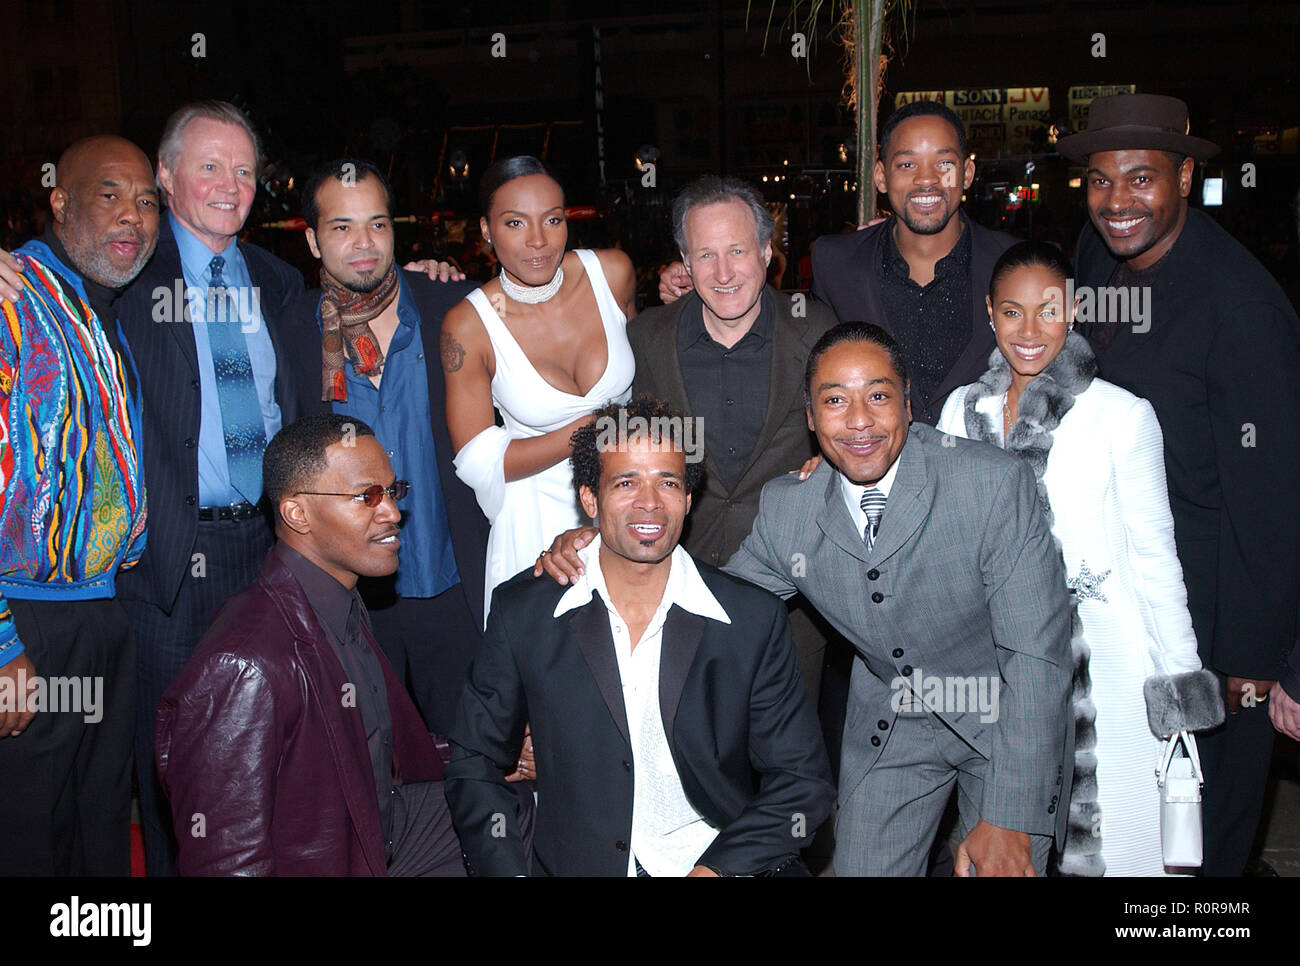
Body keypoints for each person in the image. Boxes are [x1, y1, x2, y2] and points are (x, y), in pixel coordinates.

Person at [542, 323, 1073, 876]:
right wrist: (610, 547)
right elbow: (711, 606)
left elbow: (1037, 657)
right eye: (836, 401)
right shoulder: (790, 509)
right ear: (811, 416)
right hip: (893, 725)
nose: (859, 420)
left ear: (909, 403)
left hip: (1006, 719)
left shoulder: (991, 485)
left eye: (879, 396)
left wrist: (1011, 817)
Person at [1058, 93, 1300, 876]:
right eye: (1100, 180)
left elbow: (1274, 501)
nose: (1116, 201)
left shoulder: (1244, 307)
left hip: (1219, 641)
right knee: (1133, 839)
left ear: (1186, 176)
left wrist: (1260, 667)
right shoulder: (1097, 258)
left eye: (1140, 178)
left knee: (1201, 853)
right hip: (1127, 610)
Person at [447, 396, 834, 876]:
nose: (649, 502)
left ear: (689, 499)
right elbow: (474, 765)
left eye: (667, 482)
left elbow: (803, 784)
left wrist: (715, 871)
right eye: (626, 481)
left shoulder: (751, 619)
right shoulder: (524, 612)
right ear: (589, 497)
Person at [936, 241, 1221, 875]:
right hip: (998, 667)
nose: (1030, 331)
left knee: (1119, 851)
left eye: (1049, 310)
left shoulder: (1122, 415)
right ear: (990, 312)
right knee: (1009, 846)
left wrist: (1179, 680)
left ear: (1076, 310)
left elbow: (1156, 554)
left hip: (1109, 664)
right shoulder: (960, 411)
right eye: (1013, 311)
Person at [156, 414, 465, 876]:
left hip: (372, 829)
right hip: (332, 858)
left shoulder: (340, 603)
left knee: (502, 805)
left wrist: (490, 754)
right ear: (297, 514)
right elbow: (225, 861)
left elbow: (376, 746)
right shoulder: (244, 665)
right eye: (367, 497)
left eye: (392, 492)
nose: (393, 514)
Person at [658, 100, 1016, 425]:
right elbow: (792, 336)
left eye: (944, 163)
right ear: (880, 176)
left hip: (983, 483)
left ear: (967, 173)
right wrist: (701, 280)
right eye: (907, 164)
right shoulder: (838, 262)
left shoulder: (1013, 268)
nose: (926, 179)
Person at [291, 158, 488, 738]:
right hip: (347, 600)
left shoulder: (453, 306)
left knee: (470, 763)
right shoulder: (288, 332)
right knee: (363, 771)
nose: (363, 244)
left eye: (377, 224)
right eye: (342, 227)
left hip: (453, 584)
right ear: (312, 240)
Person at [624, 175, 839, 701]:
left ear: (767, 251)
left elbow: (853, 430)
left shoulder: (814, 328)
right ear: (684, 259)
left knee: (787, 767)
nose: (723, 273)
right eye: (706, 255)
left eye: (738, 251)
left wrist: (832, 464)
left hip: (794, 601)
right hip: (679, 590)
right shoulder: (648, 339)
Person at [0, 135, 153, 874]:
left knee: (95, 821)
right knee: (31, 831)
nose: (133, 216)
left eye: (147, 201)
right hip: (25, 621)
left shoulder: (105, 314)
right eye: (110, 194)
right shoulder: (12, 297)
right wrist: (1, 644)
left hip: (100, 611)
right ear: (58, 199)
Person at [441, 156, 636, 622]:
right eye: (514, 223)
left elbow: (648, 354)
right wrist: (590, 428)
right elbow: (477, 460)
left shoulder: (612, 273)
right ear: (486, 230)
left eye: (553, 220)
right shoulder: (468, 325)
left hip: (625, 500)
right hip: (533, 521)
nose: (537, 241)